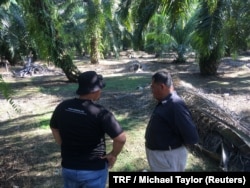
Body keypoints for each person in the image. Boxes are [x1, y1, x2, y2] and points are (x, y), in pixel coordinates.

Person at [50, 71, 126, 188]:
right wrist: (113, 154)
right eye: (100, 89)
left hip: (68, 168)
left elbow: (54, 127)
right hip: (93, 170)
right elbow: (120, 139)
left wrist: (62, 143)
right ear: (95, 91)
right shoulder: (101, 113)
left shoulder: (63, 106)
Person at [145, 70, 199, 172]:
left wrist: (173, 148)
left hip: (168, 157)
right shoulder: (166, 102)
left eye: (153, 86)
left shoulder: (175, 105)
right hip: (164, 157)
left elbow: (192, 136)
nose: (151, 89)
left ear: (161, 87)